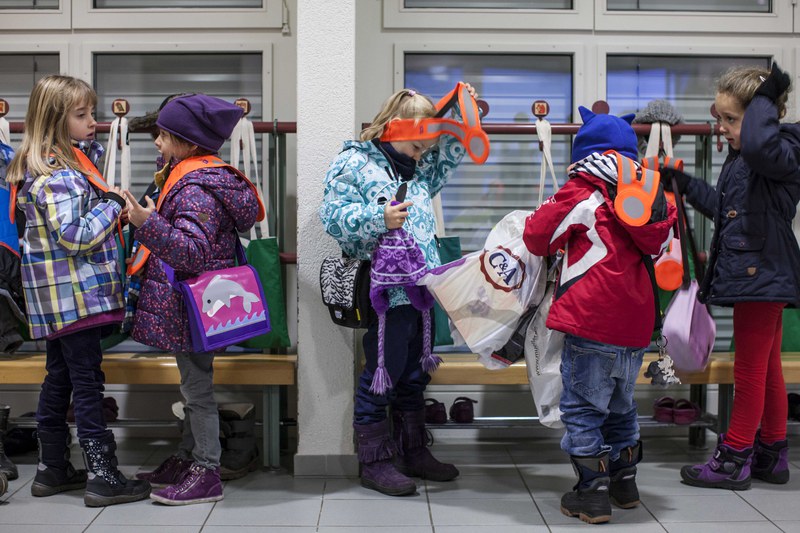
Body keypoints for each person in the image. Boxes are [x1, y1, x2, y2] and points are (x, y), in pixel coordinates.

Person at [318, 83, 478, 496]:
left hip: (422, 289)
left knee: (412, 376)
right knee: (381, 373)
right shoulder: (353, 163)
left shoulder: (419, 171)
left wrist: (462, 111)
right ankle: (374, 462)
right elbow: (332, 216)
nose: (423, 155)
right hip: (385, 292)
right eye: (417, 147)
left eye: (426, 148)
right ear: (395, 128)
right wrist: (379, 216)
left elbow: (450, 153)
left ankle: (412, 451)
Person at [523, 106, 677, 524]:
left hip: (593, 320)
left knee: (583, 410)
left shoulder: (582, 190)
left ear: (585, 149)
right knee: (622, 407)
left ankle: (591, 494)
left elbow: (537, 236)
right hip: (636, 325)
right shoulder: (651, 194)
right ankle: (625, 485)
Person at [5, 74, 151, 507]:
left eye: (92, 113)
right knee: (87, 381)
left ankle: (53, 467)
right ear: (54, 119)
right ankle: (103, 475)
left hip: (57, 303)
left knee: (61, 377)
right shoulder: (59, 176)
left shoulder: (48, 168)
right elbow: (76, 235)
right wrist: (114, 206)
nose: (93, 122)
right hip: (77, 300)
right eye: (82, 114)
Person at [660, 63, 800, 490]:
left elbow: (759, 143)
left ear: (762, 116)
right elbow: (725, 209)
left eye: (731, 119)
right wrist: (682, 183)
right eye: (717, 118)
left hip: (763, 276)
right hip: (760, 276)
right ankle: (772, 454)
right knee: (767, 368)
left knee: (749, 371)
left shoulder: (779, 149)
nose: (720, 128)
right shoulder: (746, 158)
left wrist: (763, 99)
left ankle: (733, 457)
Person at [124, 93, 259, 505]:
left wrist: (147, 225)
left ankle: (207, 469)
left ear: (185, 141)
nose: (157, 143)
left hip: (194, 307)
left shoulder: (196, 187)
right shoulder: (194, 176)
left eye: (163, 135)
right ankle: (188, 457)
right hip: (194, 307)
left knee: (197, 391)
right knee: (190, 386)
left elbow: (192, 253)